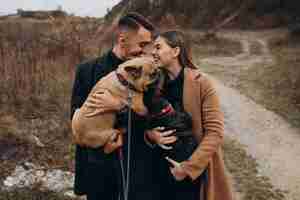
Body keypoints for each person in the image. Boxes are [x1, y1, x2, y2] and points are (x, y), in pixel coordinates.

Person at [70, 12, 160, 200]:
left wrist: (118, 105)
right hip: (100, 170)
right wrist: (102, 149)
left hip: (136, 169)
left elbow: (151, 119)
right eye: (142, 45)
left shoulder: (147, 73)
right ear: (122, 39)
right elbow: (77, 120)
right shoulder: (87, 71)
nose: (145, 51)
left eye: (148, 45)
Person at [145, 30, 234, 200]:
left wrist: (186, 168)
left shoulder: (202, 83)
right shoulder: (152, 83)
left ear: (176, 51)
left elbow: (215, 133)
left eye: (158, 47)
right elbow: (143, 122)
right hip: (156, 169)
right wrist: (151, 135)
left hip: (189, 171)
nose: (153, 52)